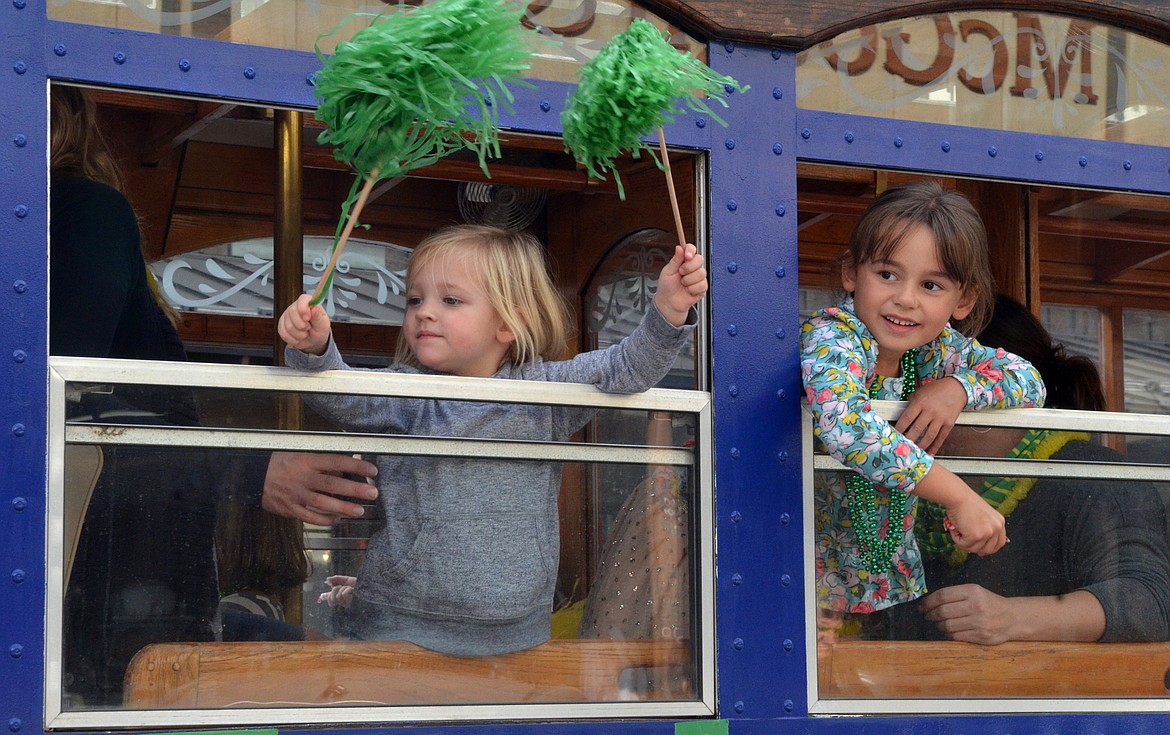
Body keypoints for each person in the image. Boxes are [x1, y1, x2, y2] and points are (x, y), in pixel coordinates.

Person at [49, 85, 376, 705]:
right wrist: (247, 470)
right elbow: (62, 415)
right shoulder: (84, 210)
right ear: (73, 117)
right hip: (109, 598)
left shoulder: (67, 217)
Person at [278, 223, 708, 656]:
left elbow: (628, 368)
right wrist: (315, 349)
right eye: (415, 299)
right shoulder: (408, 392)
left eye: (450, 300)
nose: (425, 312)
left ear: (508, 323)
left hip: (517, 631)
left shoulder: (543, 389)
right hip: (399, 622)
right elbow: (341, 395)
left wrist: (668, 310)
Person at [800, 181, 1046, 618]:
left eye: (932, 285)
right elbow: (846, 427)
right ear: (851, 273)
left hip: (883, 588)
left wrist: (957, 389)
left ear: (964, 300)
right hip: (795, 575)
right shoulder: (833, 336)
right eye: (887, 274)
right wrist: (959, 496)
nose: (906, 298)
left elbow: (1028, 379)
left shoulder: (937, 353)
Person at [885, 294, 1170, 643]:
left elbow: (1149, 602)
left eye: (929, 392)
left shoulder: (1096, 477)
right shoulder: (901, 487)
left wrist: (1009, 618)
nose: (906, 409)